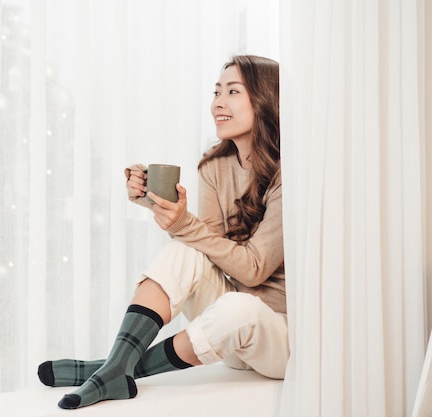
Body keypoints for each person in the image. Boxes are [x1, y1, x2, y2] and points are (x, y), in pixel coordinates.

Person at [37, 54, 288, 410]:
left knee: (238, 307)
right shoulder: (215, 166)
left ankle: (114, 368)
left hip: (273, 336)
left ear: (265, 99)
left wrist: (184, 224)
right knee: (186, 251)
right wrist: (158, 205)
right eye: (216, 91)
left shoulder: (287, 173)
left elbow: (254, 268)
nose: (218, 102)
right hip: (222, 335)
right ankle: (115, 369)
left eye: (233, 92)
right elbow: (210, 250)